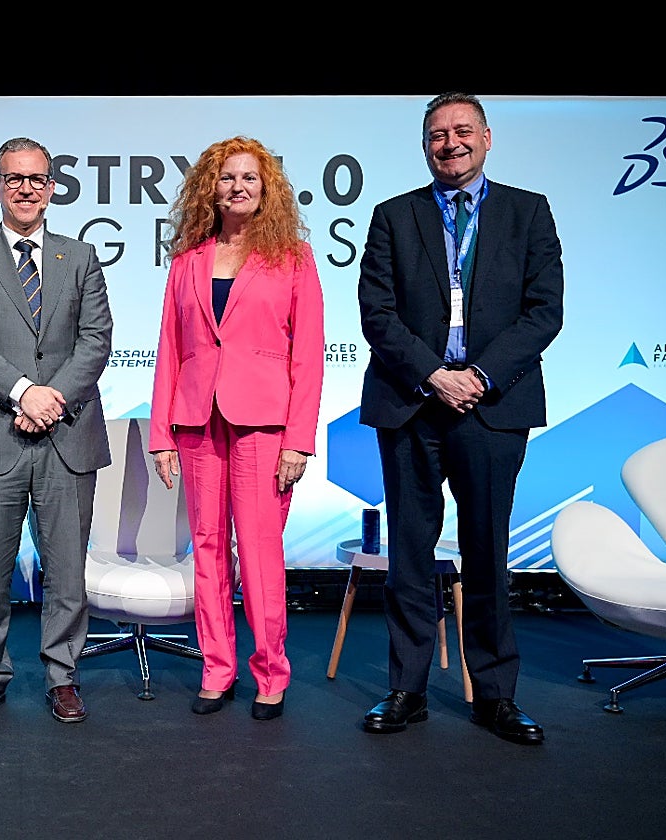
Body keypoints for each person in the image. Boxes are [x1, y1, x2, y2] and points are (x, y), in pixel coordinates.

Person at [357, 92, 563, 745]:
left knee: (488, 552)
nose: (451, 143)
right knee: (409, 555)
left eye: (462, 130)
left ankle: (496, 696)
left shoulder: (528, 212)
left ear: (487, 137)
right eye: (438, 134)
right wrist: (434, 375)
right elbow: (377, 313)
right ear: (425, 146)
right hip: (412, 402)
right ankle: (407, 689)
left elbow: (544, 311)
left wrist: (478, 376)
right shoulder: (394, 215)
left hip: (492, 407)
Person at [150, 136, 325, 721]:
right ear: (211, 188)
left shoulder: (293, 258)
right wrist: (161, 434)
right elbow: (170, 352)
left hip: (264, 427)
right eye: (227, 177)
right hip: (197, 422)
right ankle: (216, 670)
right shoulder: (187, 262)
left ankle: (271, 674)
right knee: (206, 548)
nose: (238, 186)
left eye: (250, 177)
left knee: (258, 553)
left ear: (266, 188)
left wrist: (299, 440)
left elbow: (309, 356)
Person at [0, 137, 113, 724]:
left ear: (52, 188)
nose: (26, 189)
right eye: (14, 179)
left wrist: (50, 400)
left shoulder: (80, 256)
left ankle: (63, 676)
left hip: (68, 435)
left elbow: (96, 340)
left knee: (66, 572)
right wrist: (22, 392)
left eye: (37, 179)